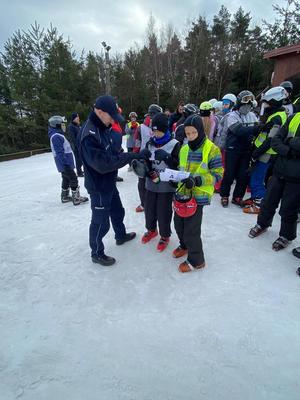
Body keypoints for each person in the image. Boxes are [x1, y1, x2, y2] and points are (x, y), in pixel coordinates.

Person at [79, 95, 150, 266]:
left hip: (109, 182)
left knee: (117, 211)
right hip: (99, 186)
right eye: (111, 117)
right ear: (100, 112)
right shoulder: (89, 135)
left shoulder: (103, 127)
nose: (113, 121)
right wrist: (131, 156)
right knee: (100, 222)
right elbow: (104, 164)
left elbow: (112, 153)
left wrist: (131, 154)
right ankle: (96, 252)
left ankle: (120, 235)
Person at [173, 115, 223, 273]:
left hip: (198, 196)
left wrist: (198, 180)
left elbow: (218, 174)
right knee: (179, 225)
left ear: (200, 131)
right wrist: (174, 180)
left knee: (191, 230)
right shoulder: (184, 148)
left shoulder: (212, 149)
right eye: (187, 134)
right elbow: (182, 170)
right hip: (183, 195)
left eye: (193, 133)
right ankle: (185, 245)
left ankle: (197, 260)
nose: (190, 137)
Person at [248, 112, 300, 251]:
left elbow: (290, 141)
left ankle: (286, 235)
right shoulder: (294, 117)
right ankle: (262, 223)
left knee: (289, 207)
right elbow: (276, 140)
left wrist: (289, 141)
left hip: (297, 175)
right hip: (280, 168)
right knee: (268, 200)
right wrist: (289, 151)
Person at [243, 86, 287, 214]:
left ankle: (259, 204)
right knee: (255, 177)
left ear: (274, 102)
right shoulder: (276, 114)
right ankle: (255, 198)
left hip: (266, 154)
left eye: (267, 103)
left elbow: (270, 140)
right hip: (263, 152)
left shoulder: (277, 118)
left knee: (257, 178)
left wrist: (256, 154)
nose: (265, 106)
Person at [141, 112, 180, 251]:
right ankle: (152, 230)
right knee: (149, 209)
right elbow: (144, 163)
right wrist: (144, 165)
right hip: (151, 184)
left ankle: (165, 235)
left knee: (163, 211)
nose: (156, 134)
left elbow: (178, 166)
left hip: (166, 186)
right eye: (154, 131)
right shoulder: (150, 143)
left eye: (159, 131)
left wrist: (168, 158)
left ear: (166, 129)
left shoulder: (174, 144)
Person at [220, 90, 259, 207]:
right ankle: (224, 195)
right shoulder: (231, 116)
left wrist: (260, 129)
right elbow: (238, 130)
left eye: (249, 105)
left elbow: (256, 129)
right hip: (233, 148)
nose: (247, 107)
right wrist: (256, 129)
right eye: (245, 104)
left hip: (246, 149)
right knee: (229, 174)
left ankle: (238, 196)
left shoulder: (252, 116)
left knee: (243, 175)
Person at [48, 115, 88, 205]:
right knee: (73, 178)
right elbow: (59, 152)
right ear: (57, 125)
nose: (64, 126)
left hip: (64, 162)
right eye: (62, 124)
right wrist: (66, 164)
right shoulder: (56, 136)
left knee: (66, 178)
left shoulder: (58, 135)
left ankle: (65, 196)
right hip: (64, 163)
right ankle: (76, 198)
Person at [133, 104, 162, 213]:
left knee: (143, 182)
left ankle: (145, 204)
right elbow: (137, 142)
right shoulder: (141, 128)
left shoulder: (142, 127)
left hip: (146, 157)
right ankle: (148, 204)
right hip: (152, 158)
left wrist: (135, 155)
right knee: (151, 180)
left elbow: (137, 144)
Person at [67, 112, 84, 177]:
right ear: (74, 118)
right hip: (75, 146)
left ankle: (80, 170)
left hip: (80, 145)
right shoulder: (71, 126)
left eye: (78, 117)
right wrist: (76, 146)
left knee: (81, 158)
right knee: (78, 159)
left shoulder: (77, 125)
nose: (78, 118)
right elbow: (72, 138)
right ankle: (79, 172)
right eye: (77, 117)